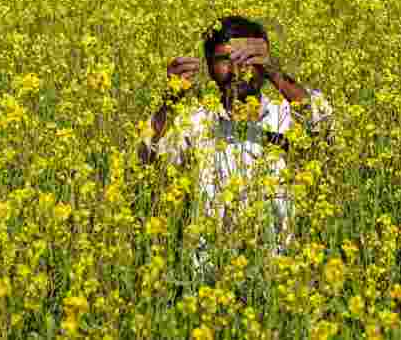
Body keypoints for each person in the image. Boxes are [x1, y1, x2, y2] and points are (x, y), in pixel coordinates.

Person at [137, 15, 333, 282]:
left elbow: (324, 127)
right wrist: (170, 99)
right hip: (207, 280)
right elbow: (147, 162)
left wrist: (275, 71)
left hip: (279, 280)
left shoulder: (286, 118)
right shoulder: (195, 122)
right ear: (208, 68)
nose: (238, 69)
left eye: (247, 58)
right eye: (224, 60)